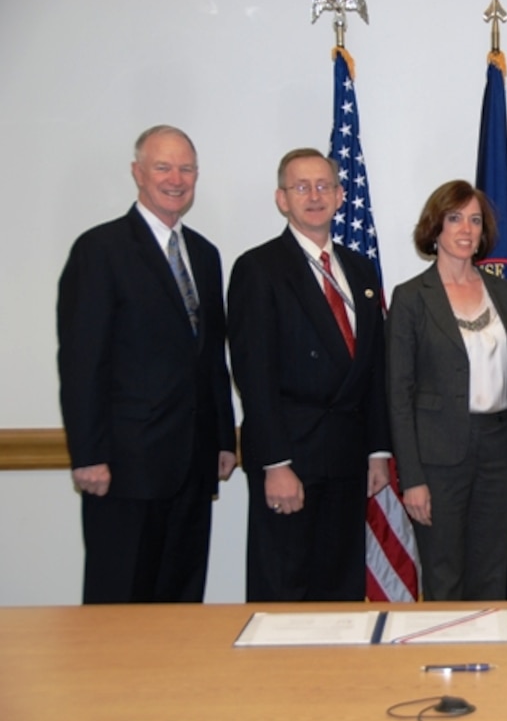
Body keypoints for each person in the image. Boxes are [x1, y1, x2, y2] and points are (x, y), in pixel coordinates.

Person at [57, 124, 237, 604]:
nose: (175, 178)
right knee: (120, 601)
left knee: (181, 601)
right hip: (124, 468)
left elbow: (210, 357)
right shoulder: (101, 250)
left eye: (186, 168)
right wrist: (88, 453)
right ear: (138, 173)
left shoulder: (204, 254)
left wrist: (222, 437)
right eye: (163, 167)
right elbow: (81, 361)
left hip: (193, 466)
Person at [227, 147, 391, 602]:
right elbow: (254, 377)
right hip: (291, 460)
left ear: (341, 196)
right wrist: (276, 465)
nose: (314, 196)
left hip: (347, 457)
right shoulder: (258, 269)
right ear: (282, 199)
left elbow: (373, 368)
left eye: (323, 186)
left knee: (339, 590)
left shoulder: (359, 269)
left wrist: (378, 450)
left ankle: (335, 677)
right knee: (285, 589)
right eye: (301, 187)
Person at [386, 180, 507, 601]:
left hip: (497, 448)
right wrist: (413, 478)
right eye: (455, 218)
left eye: (475, 220)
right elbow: (398, 393)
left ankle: (490, 661)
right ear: (435, 228)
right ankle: (445, 662)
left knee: (492, 572)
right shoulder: (411, 298)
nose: (466, 229)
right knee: (444, 575)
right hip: (438, 458)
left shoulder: (502, 291)